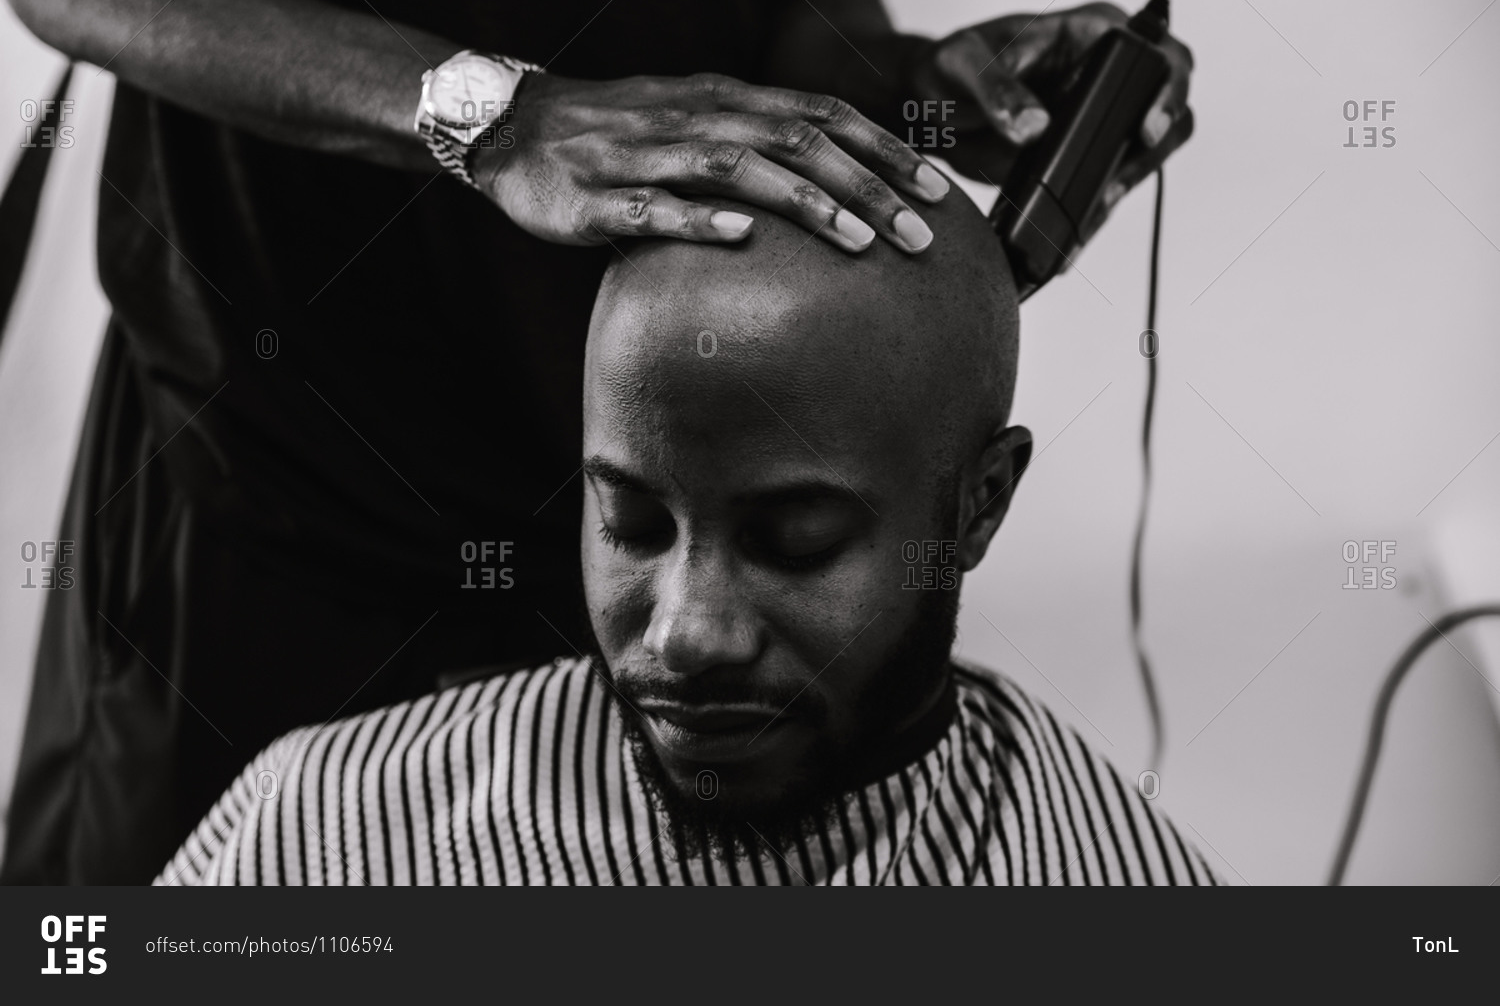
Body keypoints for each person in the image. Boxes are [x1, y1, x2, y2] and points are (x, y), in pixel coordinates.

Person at [0, 0, 1192, 883]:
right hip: (272, 463)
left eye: (802, 538)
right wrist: (485, 112)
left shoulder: (685, 588)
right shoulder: (290, 815)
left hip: (633, 483)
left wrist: (915, 84)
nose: (697, 624)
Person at [158, 186, 1216, 885]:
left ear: (978, 505)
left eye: (793, 539)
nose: (687, 633)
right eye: (631, 522)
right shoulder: (322, 837)